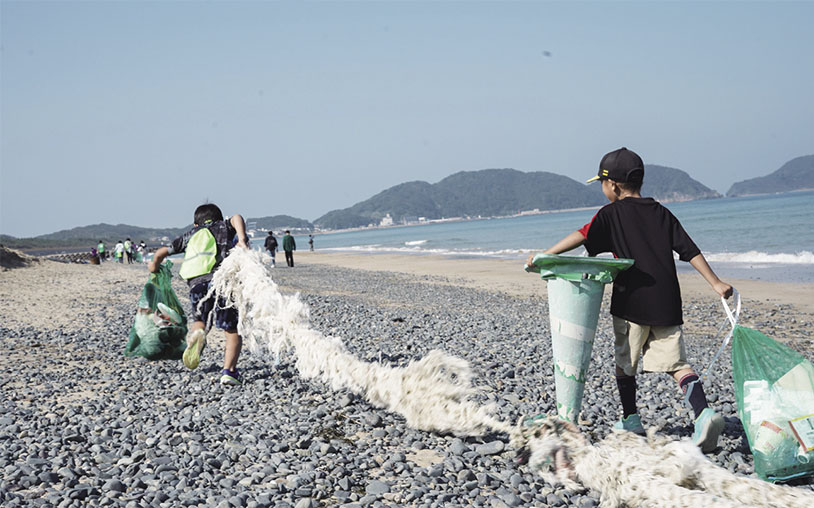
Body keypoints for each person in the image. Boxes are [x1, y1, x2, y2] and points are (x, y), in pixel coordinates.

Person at [527, 147, 733, 453]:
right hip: (667, 300)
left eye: (602, 183)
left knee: (625, 363)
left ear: (613, 185)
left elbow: (583, 235)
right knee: (677, 363)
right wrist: (716, 283)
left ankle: (631, 418)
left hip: (631, 301)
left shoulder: (610, 214)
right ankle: (703, 414)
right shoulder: (662, 212)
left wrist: (546, 256)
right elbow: (689, 250)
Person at [148, 203, 249, 386]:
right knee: (232, 328)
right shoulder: (223, 226)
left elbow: (162, 252)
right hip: (222, 282)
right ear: (219, 218)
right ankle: (229, 372)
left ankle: (198, 334)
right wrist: (241, 239)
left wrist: (154, 265)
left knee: (200, 320)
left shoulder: (190, 235)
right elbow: (236, 217)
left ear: (196, 224)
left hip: (196, 285)